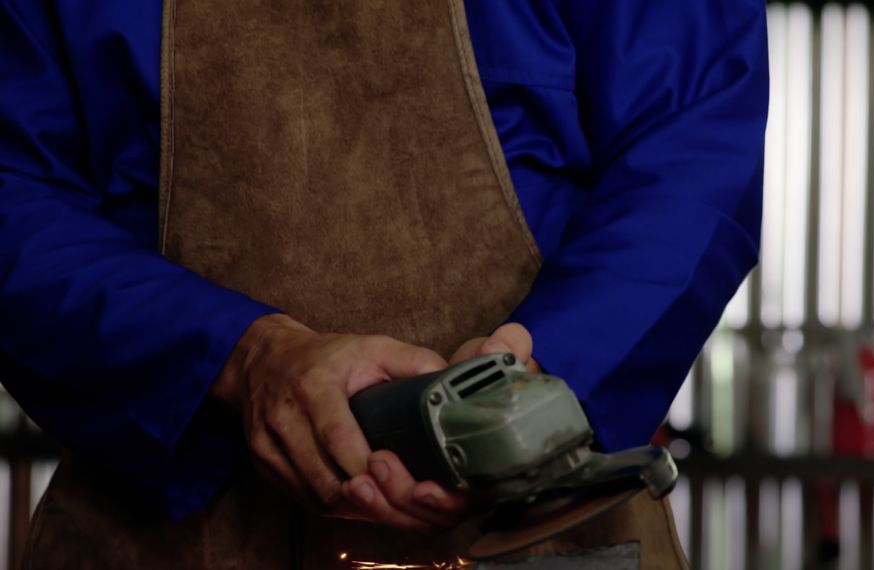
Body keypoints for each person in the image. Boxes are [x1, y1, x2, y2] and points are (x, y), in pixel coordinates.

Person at [0, 0, 767, 566]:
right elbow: (12, 195)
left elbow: (694, 145)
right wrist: (238, 359)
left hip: (540, 524)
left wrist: (531, 396)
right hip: (168, 531)